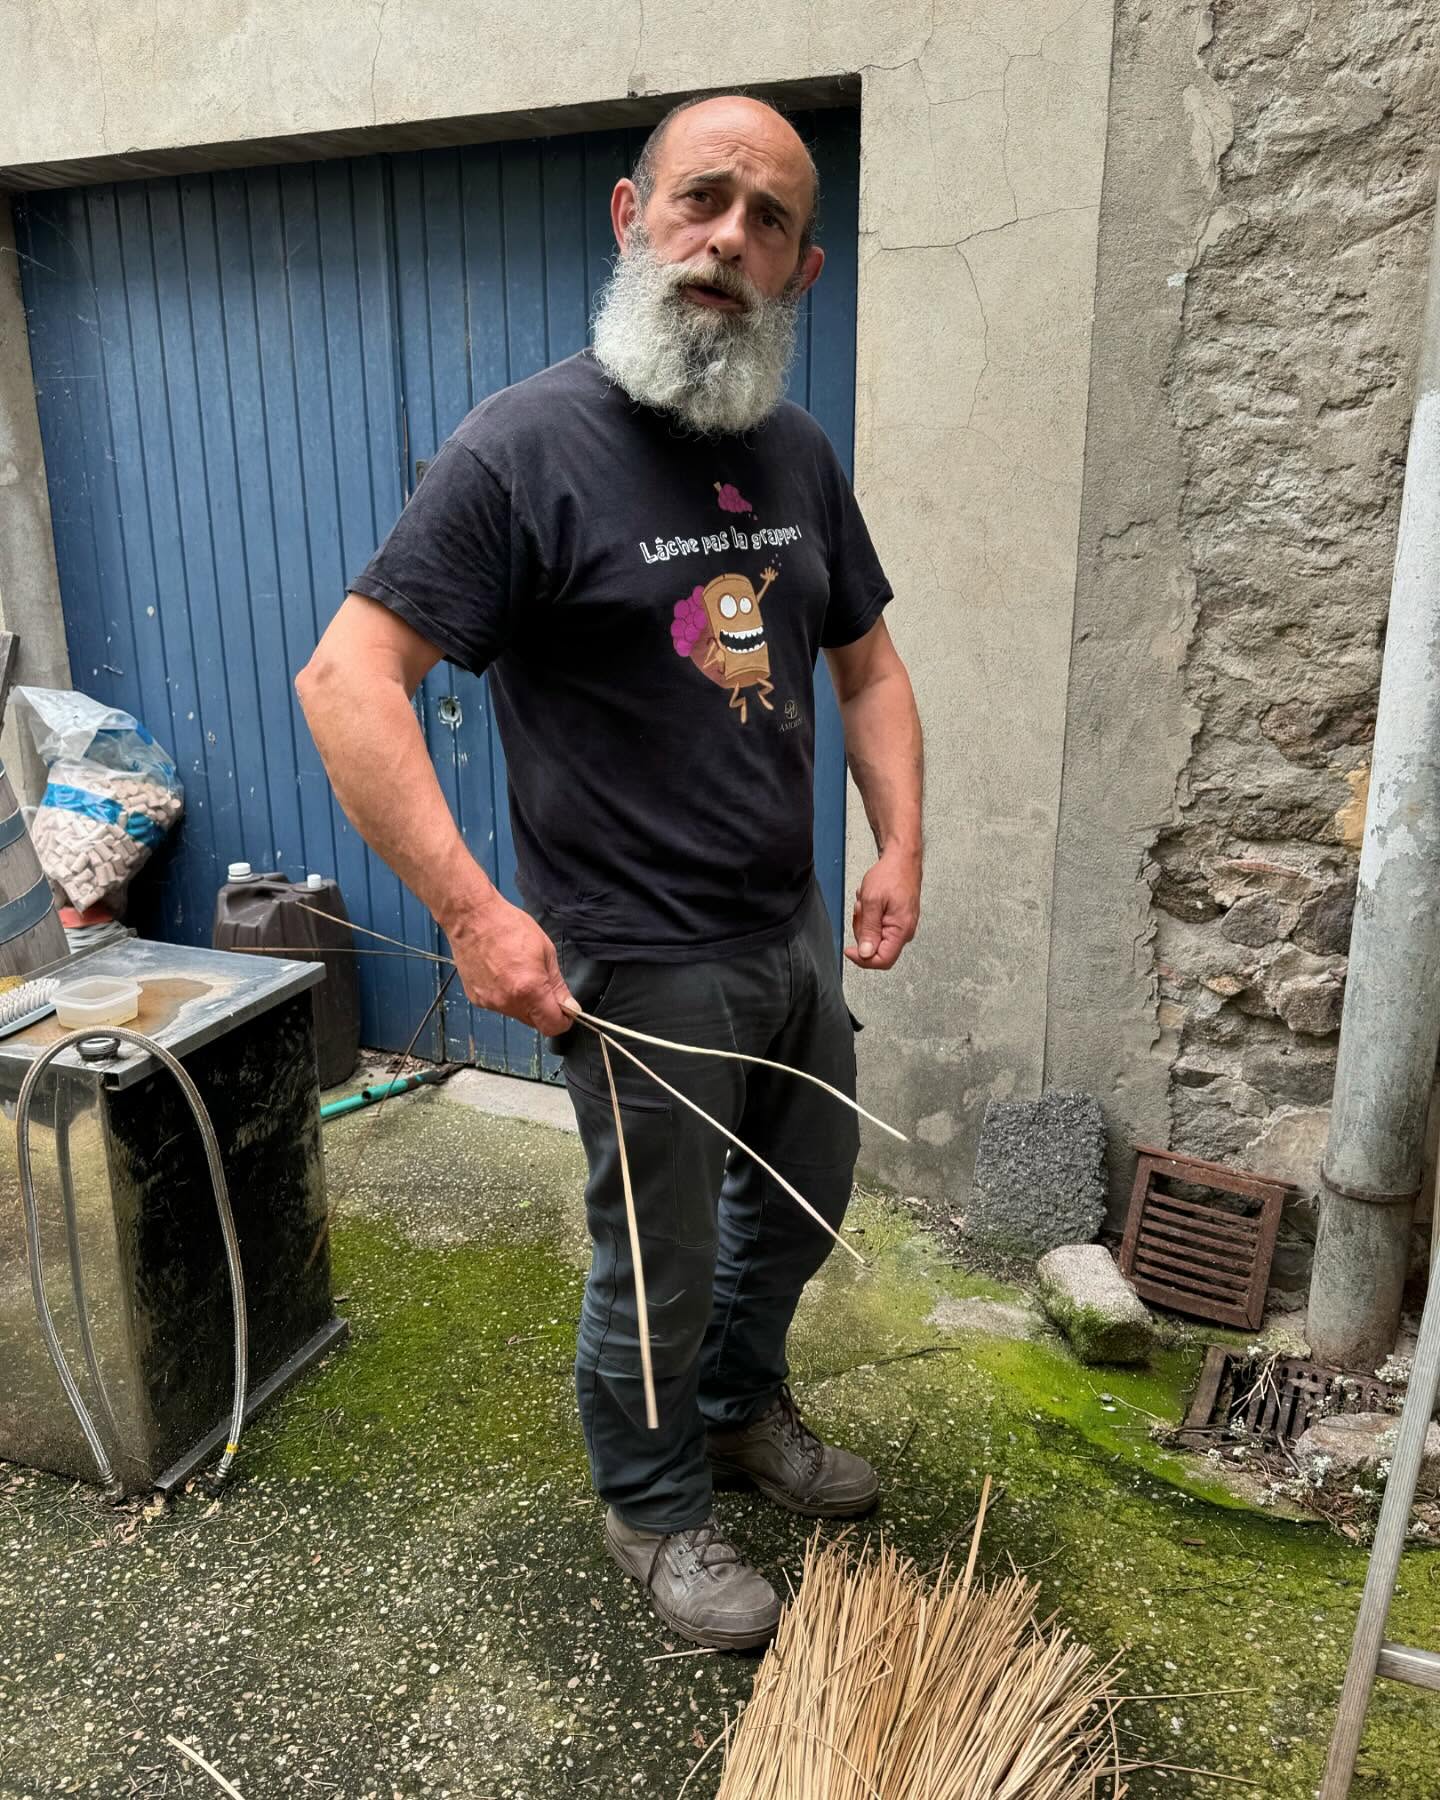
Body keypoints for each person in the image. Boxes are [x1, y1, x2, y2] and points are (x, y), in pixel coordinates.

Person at [296, 93, 924, 1650]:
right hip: (634, 958)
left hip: (785, 934)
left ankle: (734, 1408)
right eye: (701, 198)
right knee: (654, 1252)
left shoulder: (793, 449)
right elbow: (346, 681)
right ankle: (653, 1510)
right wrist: (472, 910)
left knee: (801, 1207)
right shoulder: (523, 448)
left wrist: (901, 839)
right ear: (630, 216)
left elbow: (869, 668)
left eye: (767, 218)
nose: (729, 236)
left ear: (804, 268)